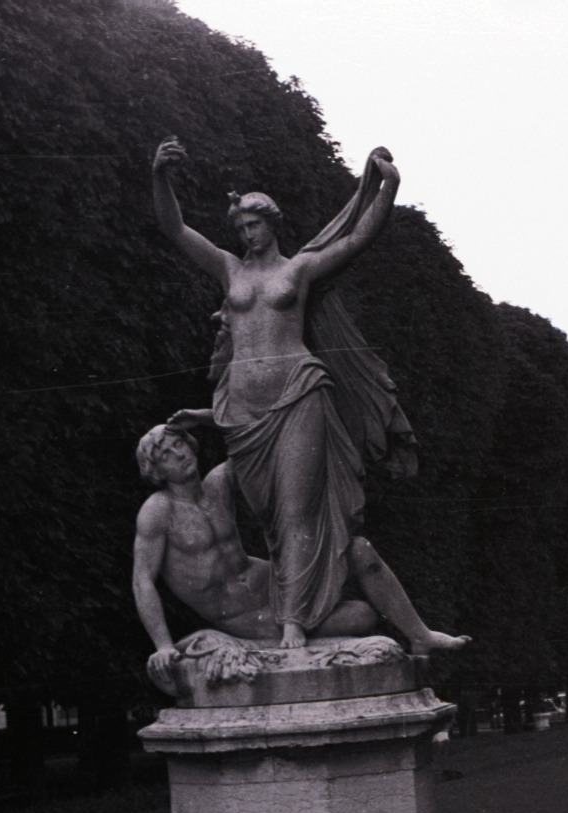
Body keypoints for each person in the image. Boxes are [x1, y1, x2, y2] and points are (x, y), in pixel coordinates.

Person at [151, 135, 464, 653]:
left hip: (298, 395)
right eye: (241, 228)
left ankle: (294, 623)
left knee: (297, 513)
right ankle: (309, 609)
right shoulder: (228, 268)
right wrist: (159, 175)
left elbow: (357, 239)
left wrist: (388, 186)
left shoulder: (297, 269)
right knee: (274, 524)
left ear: (273, 224)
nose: (247, 234)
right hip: (244, 416)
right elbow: (175, 228)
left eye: (255, 225)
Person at [131, 424, 459, 686]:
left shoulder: (217, 483)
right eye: (165, 455)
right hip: (246, 618)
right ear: (155, 470)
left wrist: (205, 416)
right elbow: (143, 580)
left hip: (279, 585)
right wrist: (163, 645)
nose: (178, 454)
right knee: (362, 616)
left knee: (359, 549)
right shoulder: (158, 511)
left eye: (180, 444)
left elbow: (257, 436)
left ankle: (420, 634)